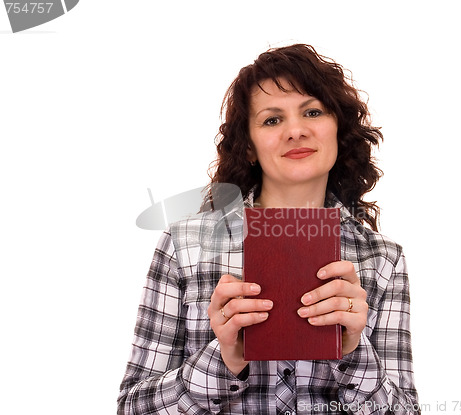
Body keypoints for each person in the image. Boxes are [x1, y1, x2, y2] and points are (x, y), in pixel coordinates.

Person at [118, 44, 419, 414]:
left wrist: (355, 350)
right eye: (272, 120)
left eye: (312, 111)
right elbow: (132, 408)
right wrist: (223, 356)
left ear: (337, 131)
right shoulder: (186, 245)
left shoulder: (383, 259)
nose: (296, 131)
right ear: (248, 147)